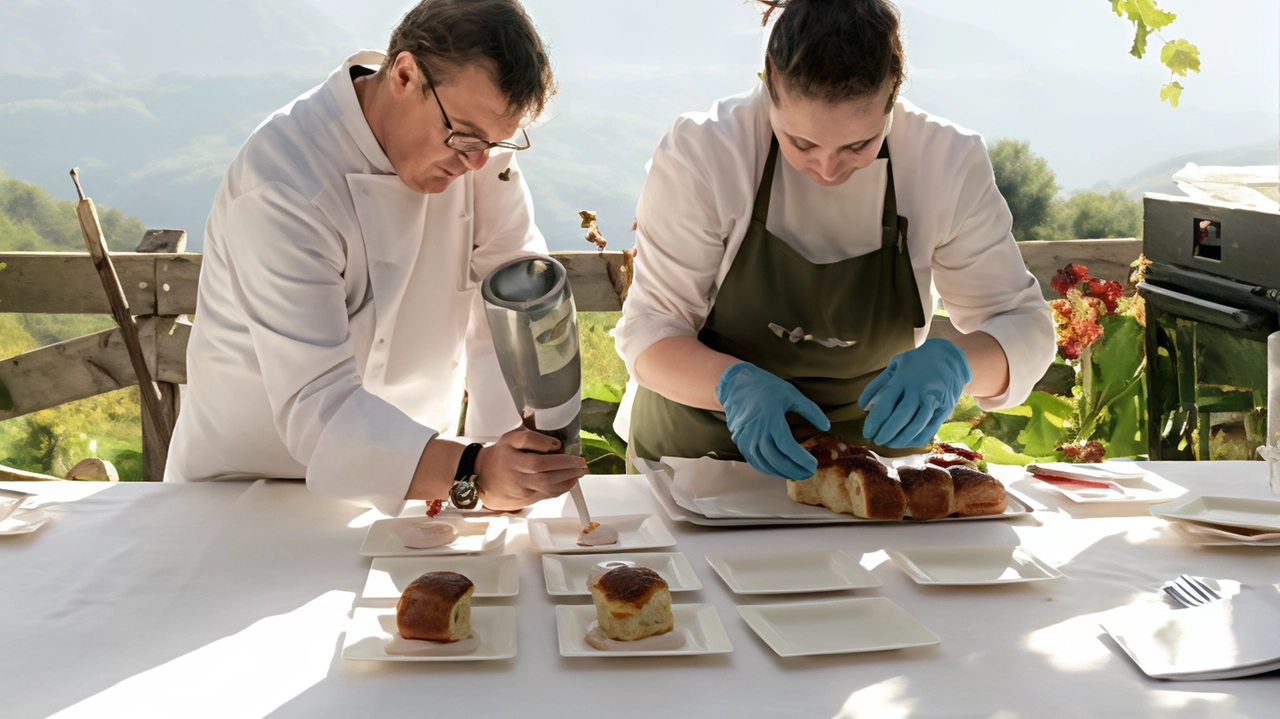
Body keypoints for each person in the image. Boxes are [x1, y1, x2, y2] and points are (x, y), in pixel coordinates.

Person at [166, 0, 587, 515]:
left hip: (419, 478)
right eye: (465, 137)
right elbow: (317, 405)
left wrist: (514, 459)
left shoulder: (479, 159)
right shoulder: (285, 182)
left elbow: (517, 311)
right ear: (406, 75)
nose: (476, 162)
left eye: (495, 143)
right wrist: (474, 469)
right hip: (251, 494)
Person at [615, 0, 1055, 479]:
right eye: (800, 143)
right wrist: (731, 385)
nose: (827, 169)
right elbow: (651, 331)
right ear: (768, 88)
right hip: (698, 460)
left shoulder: (945, 161)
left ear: (893, 99)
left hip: (868, 468)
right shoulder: (705, 151)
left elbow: (1023, 327)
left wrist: (958, 363)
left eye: (858, 145)